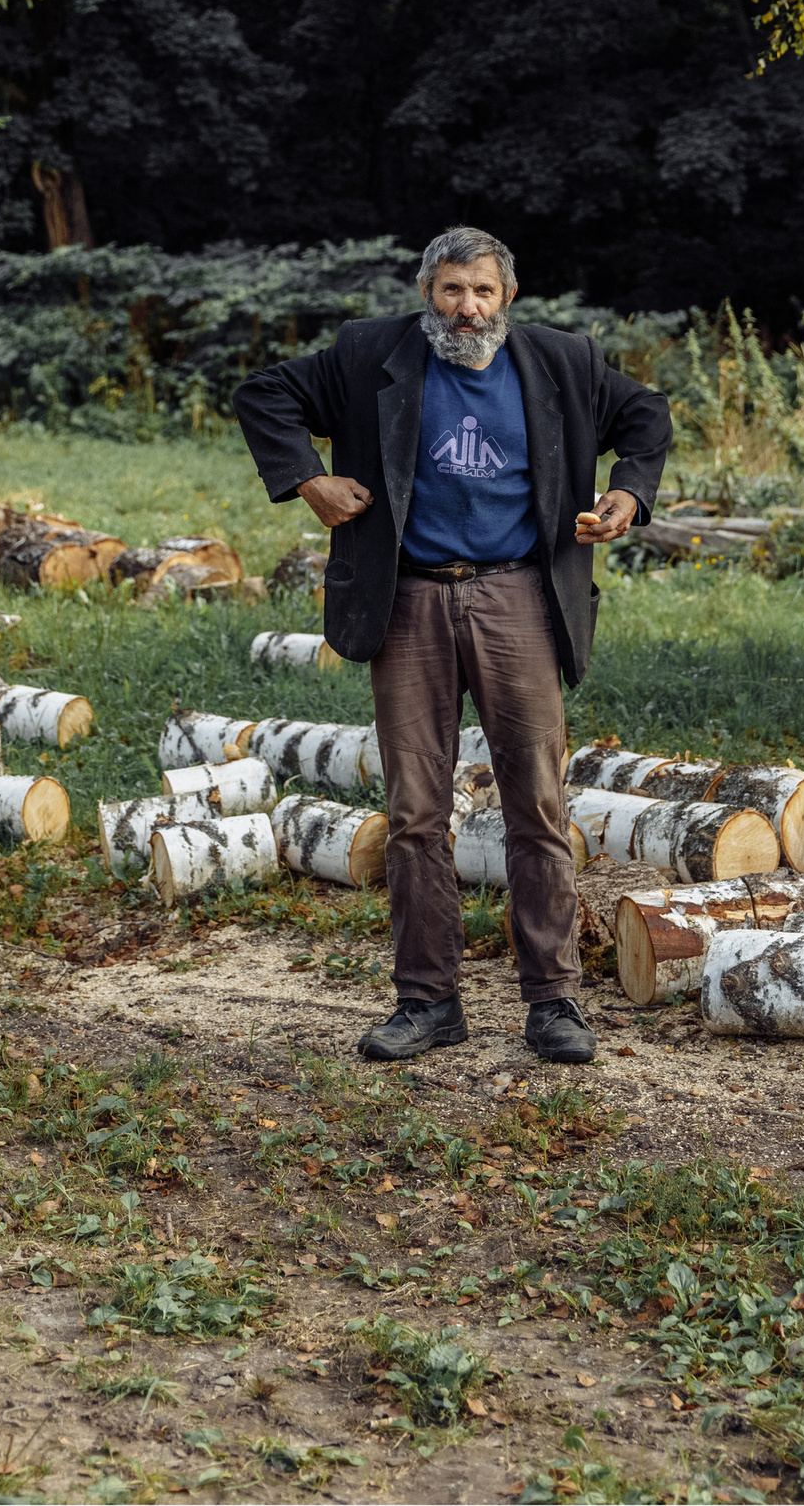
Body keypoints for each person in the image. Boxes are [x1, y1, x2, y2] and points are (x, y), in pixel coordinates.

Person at [232, 225, 672, 1068]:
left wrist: (627, 493)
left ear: (507, 295)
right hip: (409, 598)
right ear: (427, 293)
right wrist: (307, 478)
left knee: (536, 806)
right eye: (449, 291)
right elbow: (265, 395)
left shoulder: (561, 362)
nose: (465, 309)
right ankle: (428, 1000)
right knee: (414, 815)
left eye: (480, 290)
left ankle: (553, 1000)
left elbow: (646, 416)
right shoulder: (372, 356)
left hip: (518, 596)